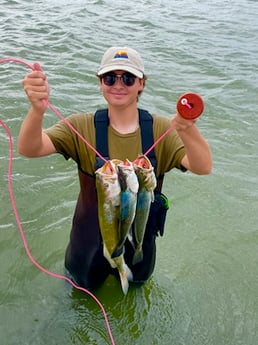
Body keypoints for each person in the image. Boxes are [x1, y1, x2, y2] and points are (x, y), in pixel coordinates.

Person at [19, 46, 212, 291]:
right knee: (80, 305)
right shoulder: (81, 125)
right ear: (100, 83)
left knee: (134, 306)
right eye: (110, 78)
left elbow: (203, 166)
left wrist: (187, 129)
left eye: (128, 78)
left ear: (141, 83)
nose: (118, 84)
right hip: (86, 249)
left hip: (140, 250)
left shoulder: (160, 129)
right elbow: (30, 148)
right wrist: (37, 110)